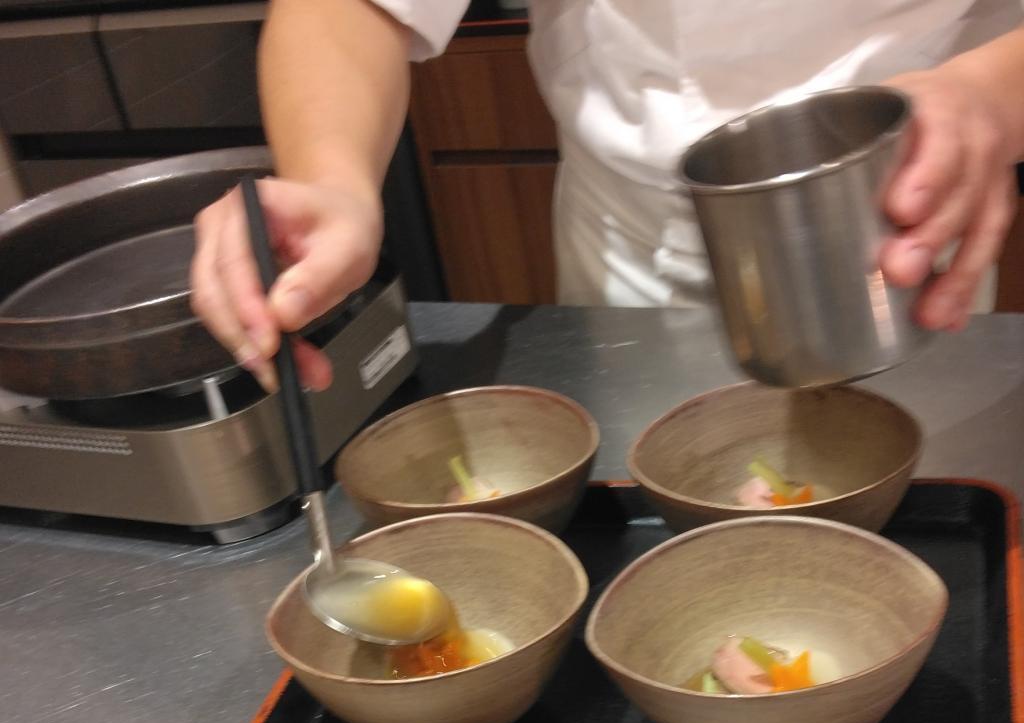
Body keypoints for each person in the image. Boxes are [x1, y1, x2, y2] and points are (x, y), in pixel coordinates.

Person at [189, 0, 1024, 392]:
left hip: (904, 228)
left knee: (931, 541)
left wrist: (996, 91)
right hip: (629, 237)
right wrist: (333, 178)